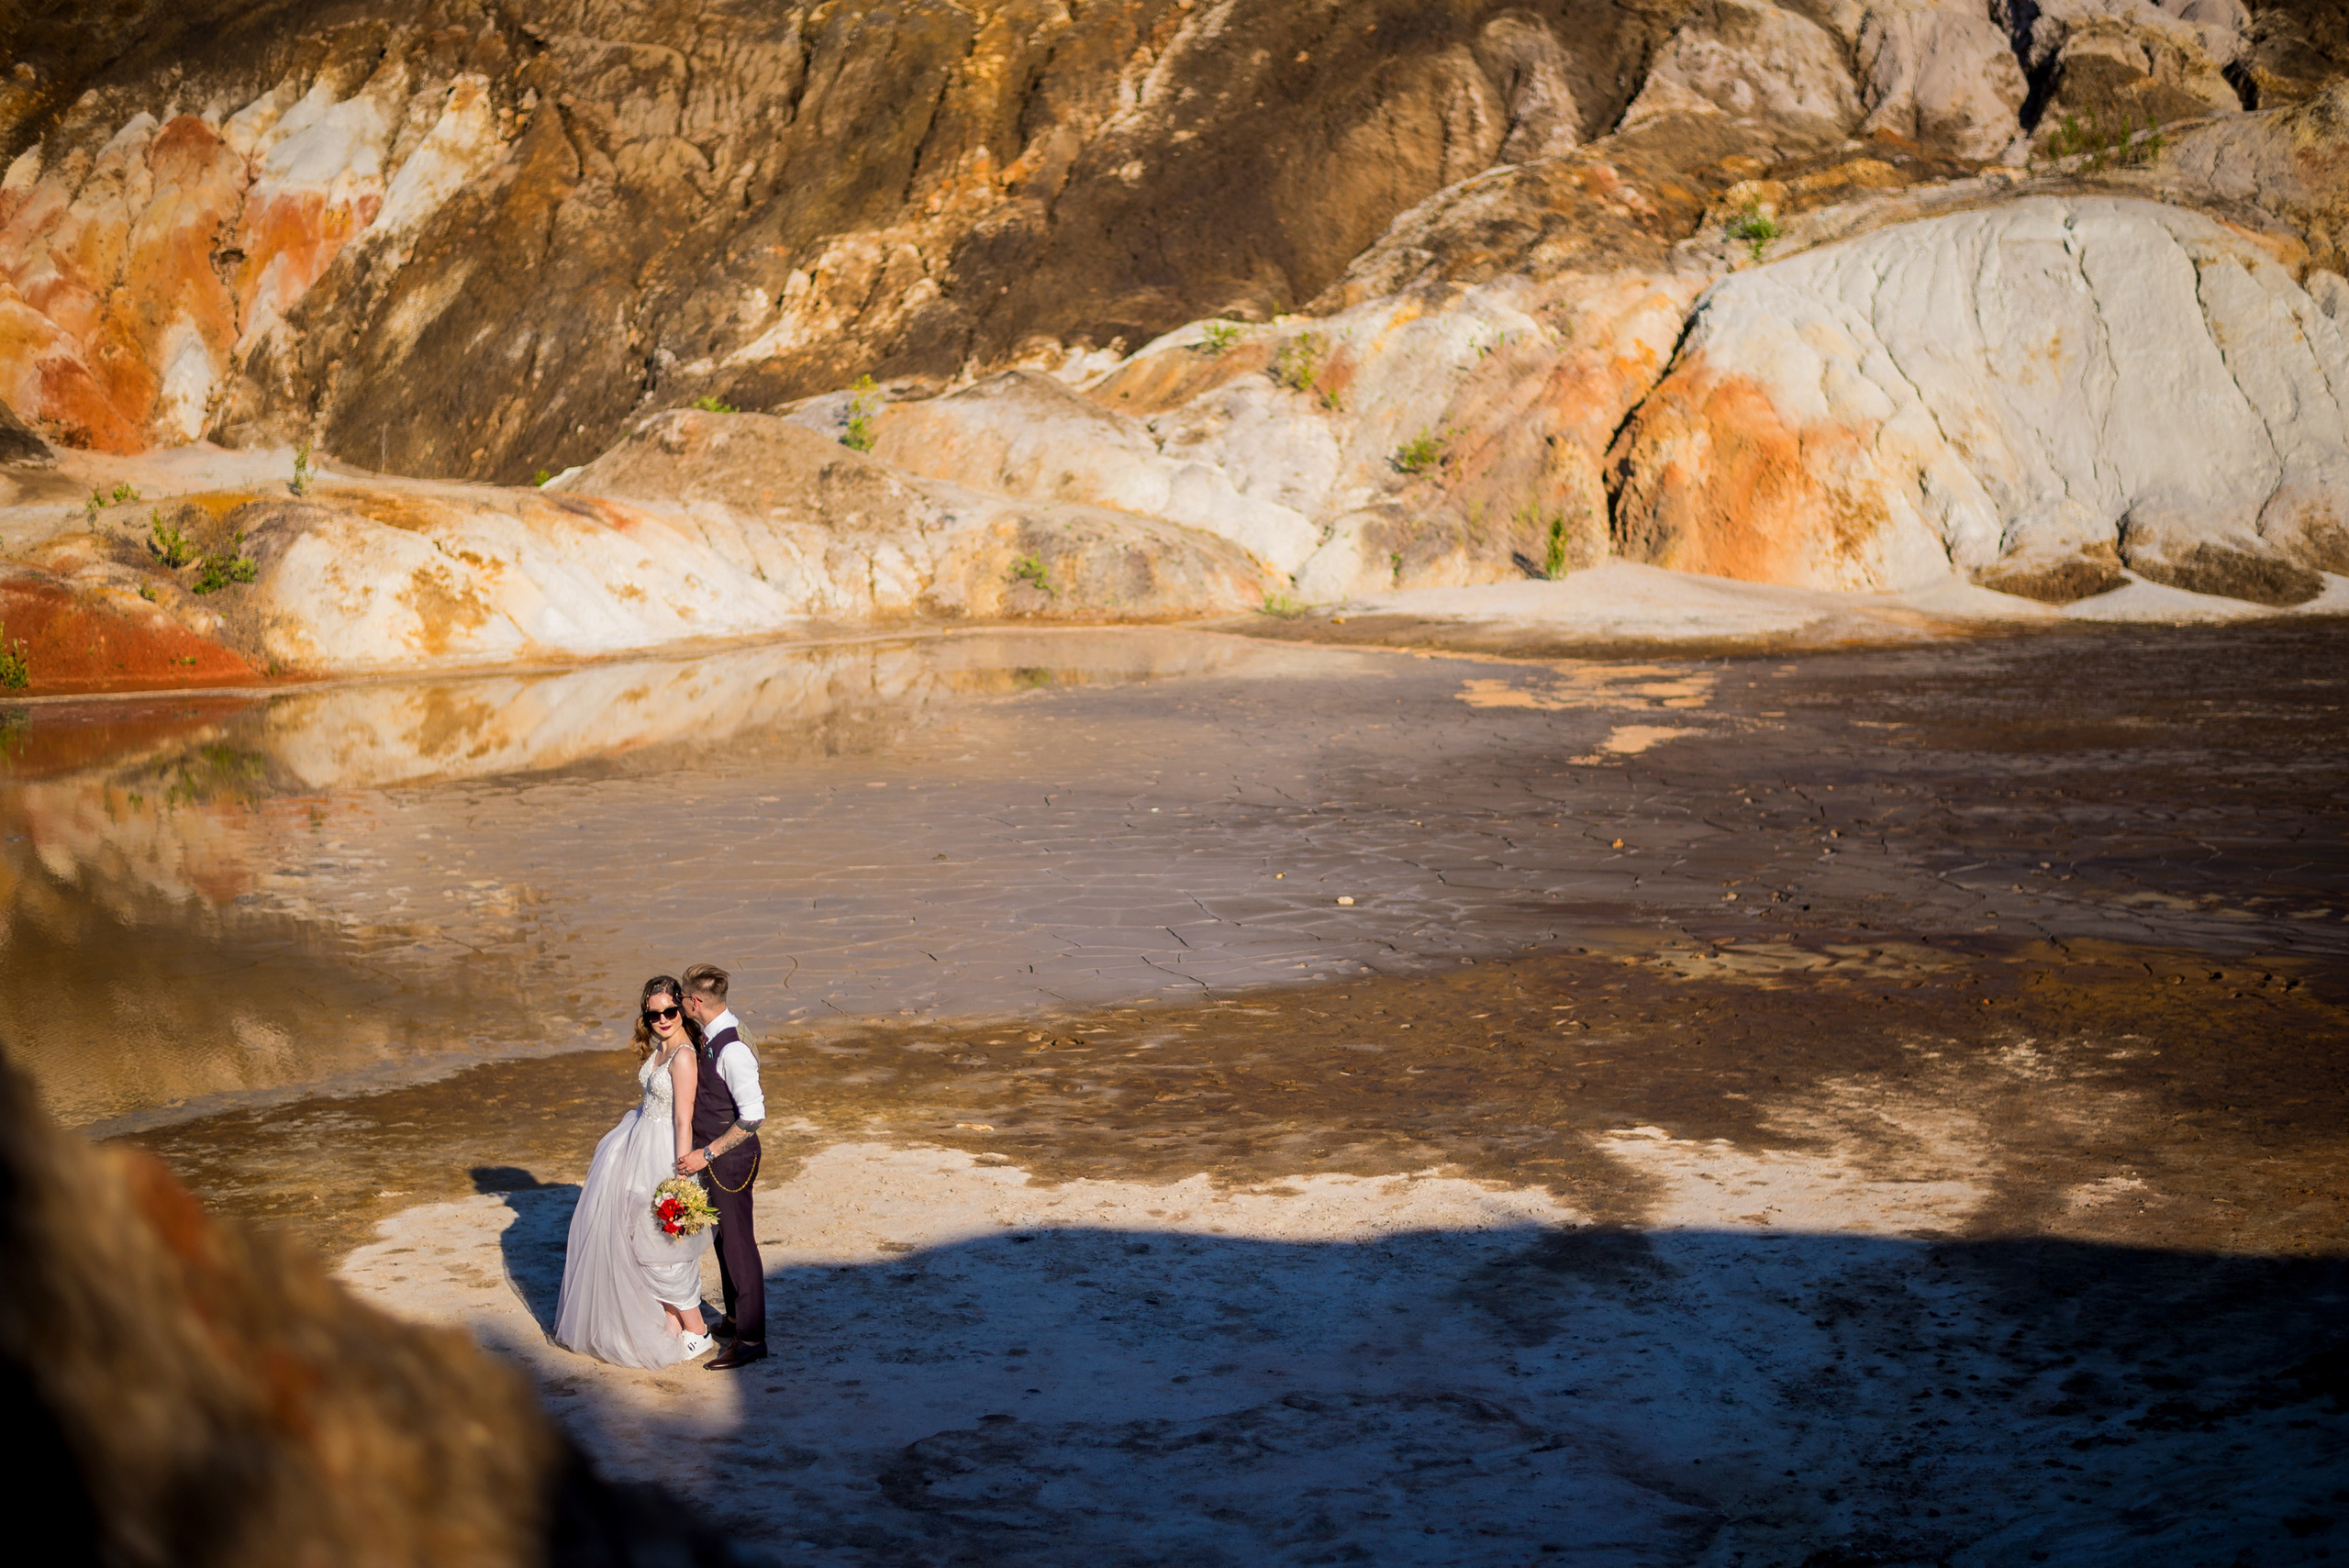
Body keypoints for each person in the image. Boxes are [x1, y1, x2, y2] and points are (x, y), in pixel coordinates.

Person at [551, 976, 718, 1368]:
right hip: (639, 1145)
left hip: (666, 1154)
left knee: (666, 1246)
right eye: (654, 1014)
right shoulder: (662, 1047)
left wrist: (680, 1176)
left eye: (670, 1011)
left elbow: (683, 1119)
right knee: (638, 1236)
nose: (663, 1019)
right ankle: (672, 1322)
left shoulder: (683, 1056)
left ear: (681, 1009)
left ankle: (698, 1331)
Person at [674, 962, 767, 1370]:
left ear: (695, 1002)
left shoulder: (732, 1049)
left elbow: (753, 1116)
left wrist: (707, 1153)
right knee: (723, 1241)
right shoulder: (715, 1033)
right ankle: (734, 1318)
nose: (681, 1004)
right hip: (718, 1160)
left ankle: (752, 1339)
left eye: (682, 998)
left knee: (739, 1245)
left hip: (730, 1163)